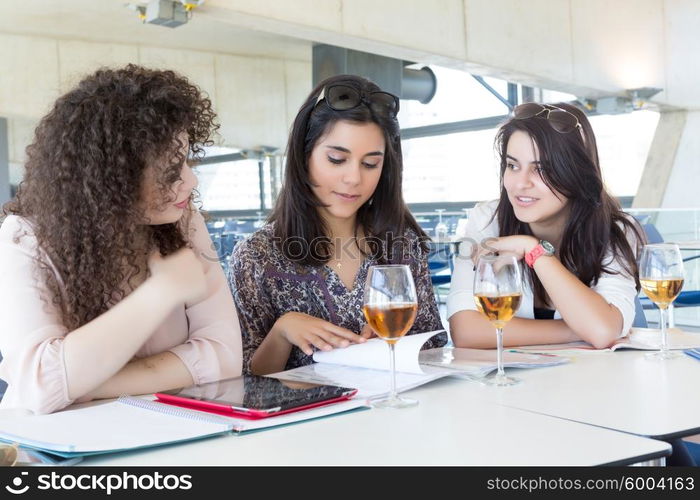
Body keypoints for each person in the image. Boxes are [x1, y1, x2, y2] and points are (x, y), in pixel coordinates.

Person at [0, 64, 242, 414]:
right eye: (171, 172)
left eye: (187, 161)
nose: (190, 182)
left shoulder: (183, 221)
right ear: (112, 180)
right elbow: (41, 383)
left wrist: (85, 384)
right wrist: (160, 293)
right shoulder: (25, 238)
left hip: (166, 429)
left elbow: (224, 357)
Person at [229, 74, 446, 375]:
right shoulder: (256, 256)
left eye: (370, 164)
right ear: (304, 156)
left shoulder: (401, 245)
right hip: (303, 420)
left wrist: (391, 345)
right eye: (336, 159)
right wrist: (282, 332)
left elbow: (434, 350)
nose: (354, 178)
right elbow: (243, 381)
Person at [447, 102, 644, 350]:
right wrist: (579, 329)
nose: (521, 184)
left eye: (541, 169)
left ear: (576, 174)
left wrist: (535, 251)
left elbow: (603, 331)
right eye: (513, 166)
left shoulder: (615, 231)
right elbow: (467, 331)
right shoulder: (488, 220)